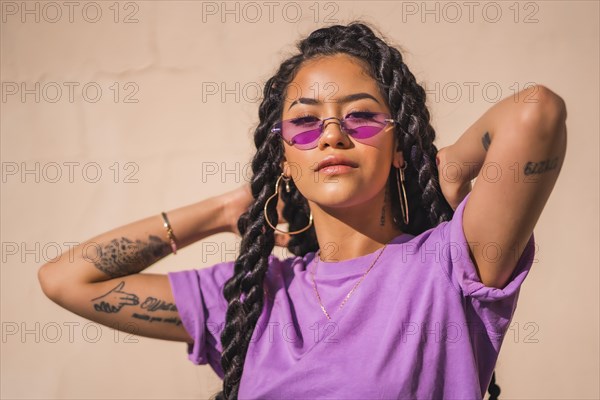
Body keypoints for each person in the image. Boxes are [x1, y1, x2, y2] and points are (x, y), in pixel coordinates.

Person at [38, 21, 567, 400]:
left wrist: (442, 168)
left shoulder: (450, 263)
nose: (332, 133)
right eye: (306, 123)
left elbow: (535, 112)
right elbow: (68, 279)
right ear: (284, 160)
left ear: (398, 143)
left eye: (361, 117)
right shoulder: (254, 297)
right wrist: (225, 209)